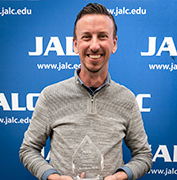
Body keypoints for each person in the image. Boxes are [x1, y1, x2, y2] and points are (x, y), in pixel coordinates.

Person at [19, 3, 152, 180]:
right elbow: (28, 150)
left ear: (114, 43)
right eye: (86, 37)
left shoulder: (126, 99)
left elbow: (144, 155)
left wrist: (122, 176)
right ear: (75, 44)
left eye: (102, 36)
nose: (94, 45)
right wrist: (52, 177)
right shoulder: (51, 96)